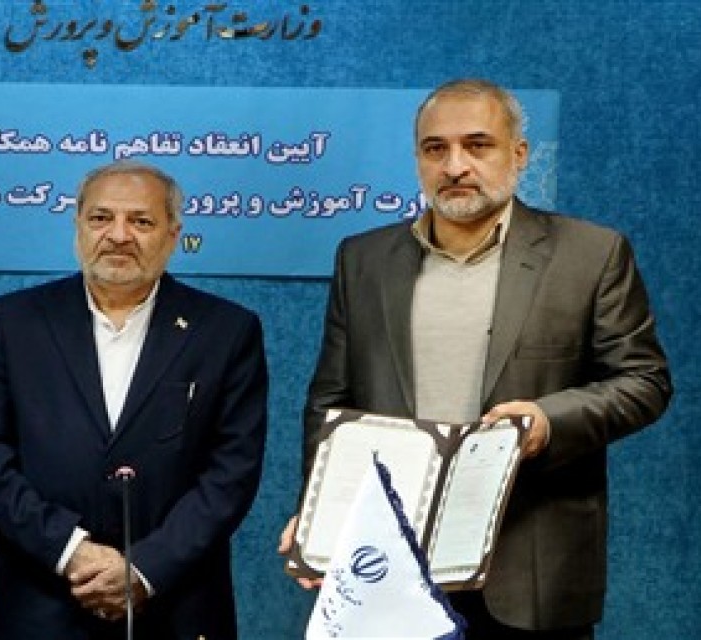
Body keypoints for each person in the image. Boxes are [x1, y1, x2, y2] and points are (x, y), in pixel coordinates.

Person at [279, 78, 672, 639]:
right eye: (435, 148)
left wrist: (547, 420)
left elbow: (644, 380)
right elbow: (331, 402)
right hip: (389, 564)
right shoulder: (364, 260)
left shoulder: (591, 255)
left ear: (519, 154)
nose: (455, 165)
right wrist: (320, 518)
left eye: (478, 145)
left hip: (531, 568)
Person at [0, 160, 268, 640]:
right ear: (78, 226)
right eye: (101, 218)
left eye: (141, 221)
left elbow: (232, 472)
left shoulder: (226, 331)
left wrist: (144, 568)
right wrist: (70, 551)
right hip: (40, 602)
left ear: (173, 234)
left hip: (175, 606)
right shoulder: (13, 322)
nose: (119, 235)